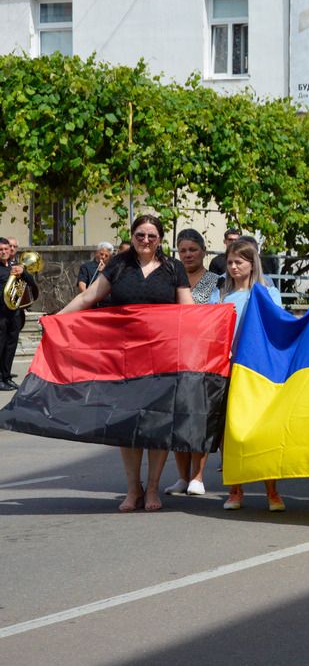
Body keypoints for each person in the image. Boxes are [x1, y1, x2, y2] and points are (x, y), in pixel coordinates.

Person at [58, 215, 194, 511]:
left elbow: (189, 312)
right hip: (124, 356)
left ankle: (154, 488)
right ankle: (133, 489)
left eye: (152, 236)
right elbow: (88, 299)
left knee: (157, 422)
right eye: (140, 235)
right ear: (132, 236)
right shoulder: (119, 264)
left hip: (162, 357)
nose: (146, 241)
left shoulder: (174, 269)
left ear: (160, 239)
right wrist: (57, 318)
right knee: (127, 423)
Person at [210, 239, 286, 511]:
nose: (232, 267)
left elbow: (278, 325)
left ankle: (272, 491)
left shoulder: (268, 292)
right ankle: (235, 490)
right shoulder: (218, 294)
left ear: (252, 263)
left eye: (238, 262)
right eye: (229, 262)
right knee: (231, 432)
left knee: (264, 430)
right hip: (228, 369)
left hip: (258, 371)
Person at [162, 229, 222, 497]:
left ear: (204, 251)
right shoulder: (171, 278)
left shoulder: (215, 281)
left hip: (202, 356)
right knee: (175, 416)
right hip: (173, 355)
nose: (187, 255)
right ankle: (181, 476)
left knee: (198, 416)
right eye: (182, 250)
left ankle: (198, 476)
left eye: (192, 250)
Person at [0, 237, 36, 392]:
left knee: (11, 346)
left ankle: (6, 377)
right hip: (0, 313)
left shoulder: (16, 266)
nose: (4, 252)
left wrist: (24, 273)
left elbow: (30, 284)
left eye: (6, 249)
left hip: (14, 313)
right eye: (0, 250)